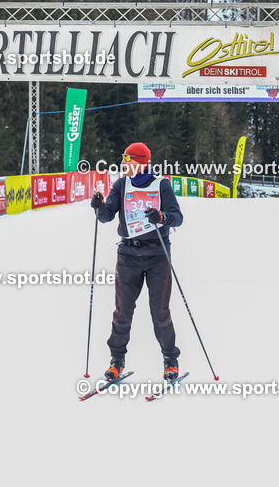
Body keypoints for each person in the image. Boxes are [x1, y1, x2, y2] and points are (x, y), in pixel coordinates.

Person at [90, 142, 184, 383]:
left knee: (160, 313)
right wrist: (99, 207)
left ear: (141, 162)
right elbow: (106, 216)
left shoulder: (161, 184)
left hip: (157, 258)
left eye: (127, 160)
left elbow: (177, 218)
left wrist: (162, 217)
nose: (123, 164)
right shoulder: (121, 184)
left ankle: (170, 361)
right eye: (123, 160)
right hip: (129, 257)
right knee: (122, 312)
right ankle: (116, 361)